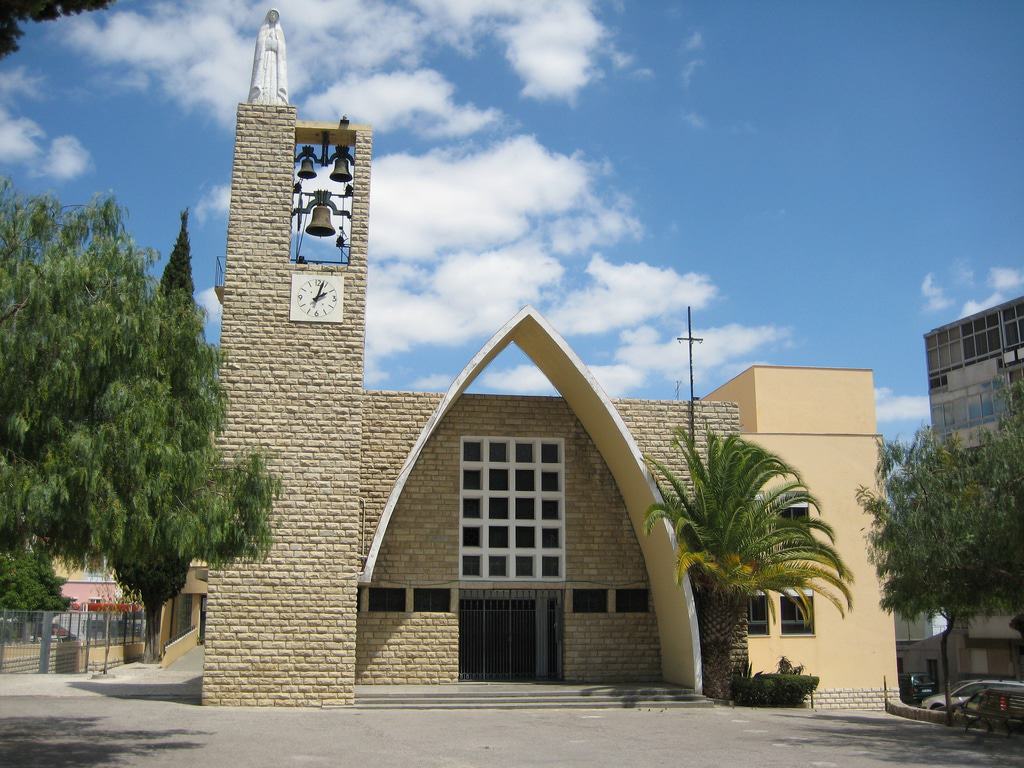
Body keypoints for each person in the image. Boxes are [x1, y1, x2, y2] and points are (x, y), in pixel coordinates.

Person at [248, 9, 289, 105]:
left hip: (275, 60)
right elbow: (259, 43)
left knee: (275, 77)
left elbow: (282, 48)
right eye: (272, 14)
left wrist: (277, 45)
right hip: (265, 58)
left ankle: (277, 97)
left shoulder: (279, 31)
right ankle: (259, 96)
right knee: (264, 76)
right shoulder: (263, 30)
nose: (273, 16)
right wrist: (265, 43)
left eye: (275, 15)